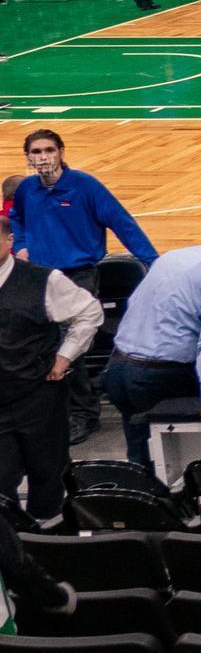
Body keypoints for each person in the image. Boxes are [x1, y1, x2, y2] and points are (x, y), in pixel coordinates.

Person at [11, 129, 156, 445]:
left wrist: (154, 263)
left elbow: (122, 222)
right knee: (40, 344)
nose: (43, 157)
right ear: (28, 157)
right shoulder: (26, 190)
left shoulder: (85, 186)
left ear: (62, 152)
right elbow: (16, 219)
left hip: (79, 277)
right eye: (36, 152)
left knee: (69, 346)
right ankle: (56, 410)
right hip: (39, 277)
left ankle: (84, 415)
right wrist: (20, 244)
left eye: (49, 150)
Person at [0, 217, 105, 519]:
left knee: (48, 474)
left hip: (39, 394)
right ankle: (11, 549)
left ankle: (46, 542)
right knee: (1, 480)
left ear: (10, 242)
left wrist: (66, 356)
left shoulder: (44, 280)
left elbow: (89, 312)